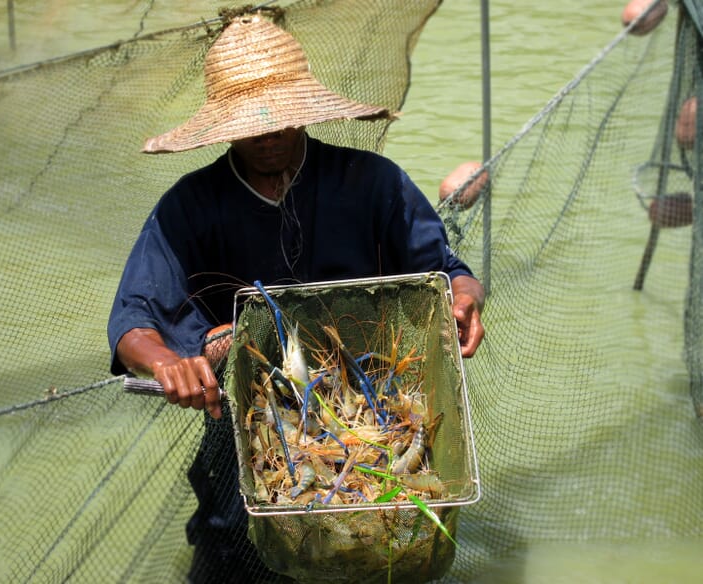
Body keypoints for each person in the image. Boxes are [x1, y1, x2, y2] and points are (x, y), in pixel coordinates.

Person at [108, 13, 485, 584]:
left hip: (375, 400)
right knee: (225, 541)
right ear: (223, 127)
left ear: (304, 111)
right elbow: (134, 320)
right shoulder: (189, 206)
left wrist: (464, 297)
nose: (267, 134)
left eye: (281, 119)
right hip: (251, 413)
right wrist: (166, 364)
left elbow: (449, 272)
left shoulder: (373, 182)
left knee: (385, 542)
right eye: (250, 124)